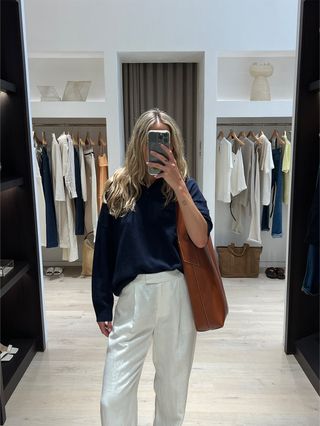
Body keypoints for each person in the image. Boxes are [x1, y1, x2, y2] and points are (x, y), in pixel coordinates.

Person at [92, 108, 213, 426]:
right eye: (152, 140)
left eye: (165, 141)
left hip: (177, 294)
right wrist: (102, 305)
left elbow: (200, 238)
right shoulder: (117, 188)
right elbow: (103, 251)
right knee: (113, 395)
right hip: (133, 298)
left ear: (173, 145)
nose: (158, 148)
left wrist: (179, 187)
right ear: (138, 143)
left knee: (172, 394)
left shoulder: (185, 186)